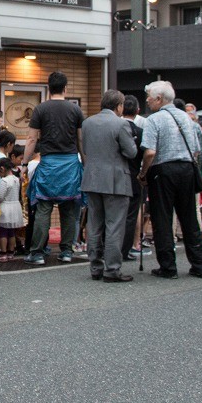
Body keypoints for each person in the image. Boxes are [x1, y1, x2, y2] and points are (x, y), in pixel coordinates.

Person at [137, 81, 202, 279]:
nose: (147, 100)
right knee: (189, 219)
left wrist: (143, 173)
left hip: (162, 170)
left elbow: (150, 152)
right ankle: (199, 265)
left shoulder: (154, 120)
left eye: (150, 97)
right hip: (186, 168)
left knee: (162, 218)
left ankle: (168, 267)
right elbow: (196, 150)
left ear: (159, 99)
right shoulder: (187, 119)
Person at [22, 71, 84, 265]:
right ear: (65, 88)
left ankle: (38, 253)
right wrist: (86, 163)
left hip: (48, 164)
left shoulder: (40, 109)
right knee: (69, 210)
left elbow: (32, 139)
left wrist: (24, 163)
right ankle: (66, 251)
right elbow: (81, 139)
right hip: (70, 164)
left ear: (49, 88)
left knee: (43, 208)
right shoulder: (75, 110)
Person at [80, 90, 138, 283]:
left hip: (92, 177)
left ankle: (95, 267)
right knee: (114, 225)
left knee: (94, 224)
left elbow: (86, 149)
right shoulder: (121, 124)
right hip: (115, 179)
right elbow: (131, 152)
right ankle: (112, 269)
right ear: (119, 105)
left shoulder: (87, 123)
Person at [121, 95, 146, 260]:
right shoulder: (141, 131)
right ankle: (126, 249)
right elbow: (148, 153)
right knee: (131, 215)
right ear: (137, 111)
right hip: (135, 175)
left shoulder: (115, 128)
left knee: (114, 215)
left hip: (117, 175)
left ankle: (109, 248)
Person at [0, 158, 22, 260]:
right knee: (12, 232)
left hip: (5, 207)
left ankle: (3, 253)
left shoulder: (4, 181)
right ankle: (11, 253)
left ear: (2, 168)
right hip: (15, 207)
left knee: (3, 231)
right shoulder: (16, 179)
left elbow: (0, 196)